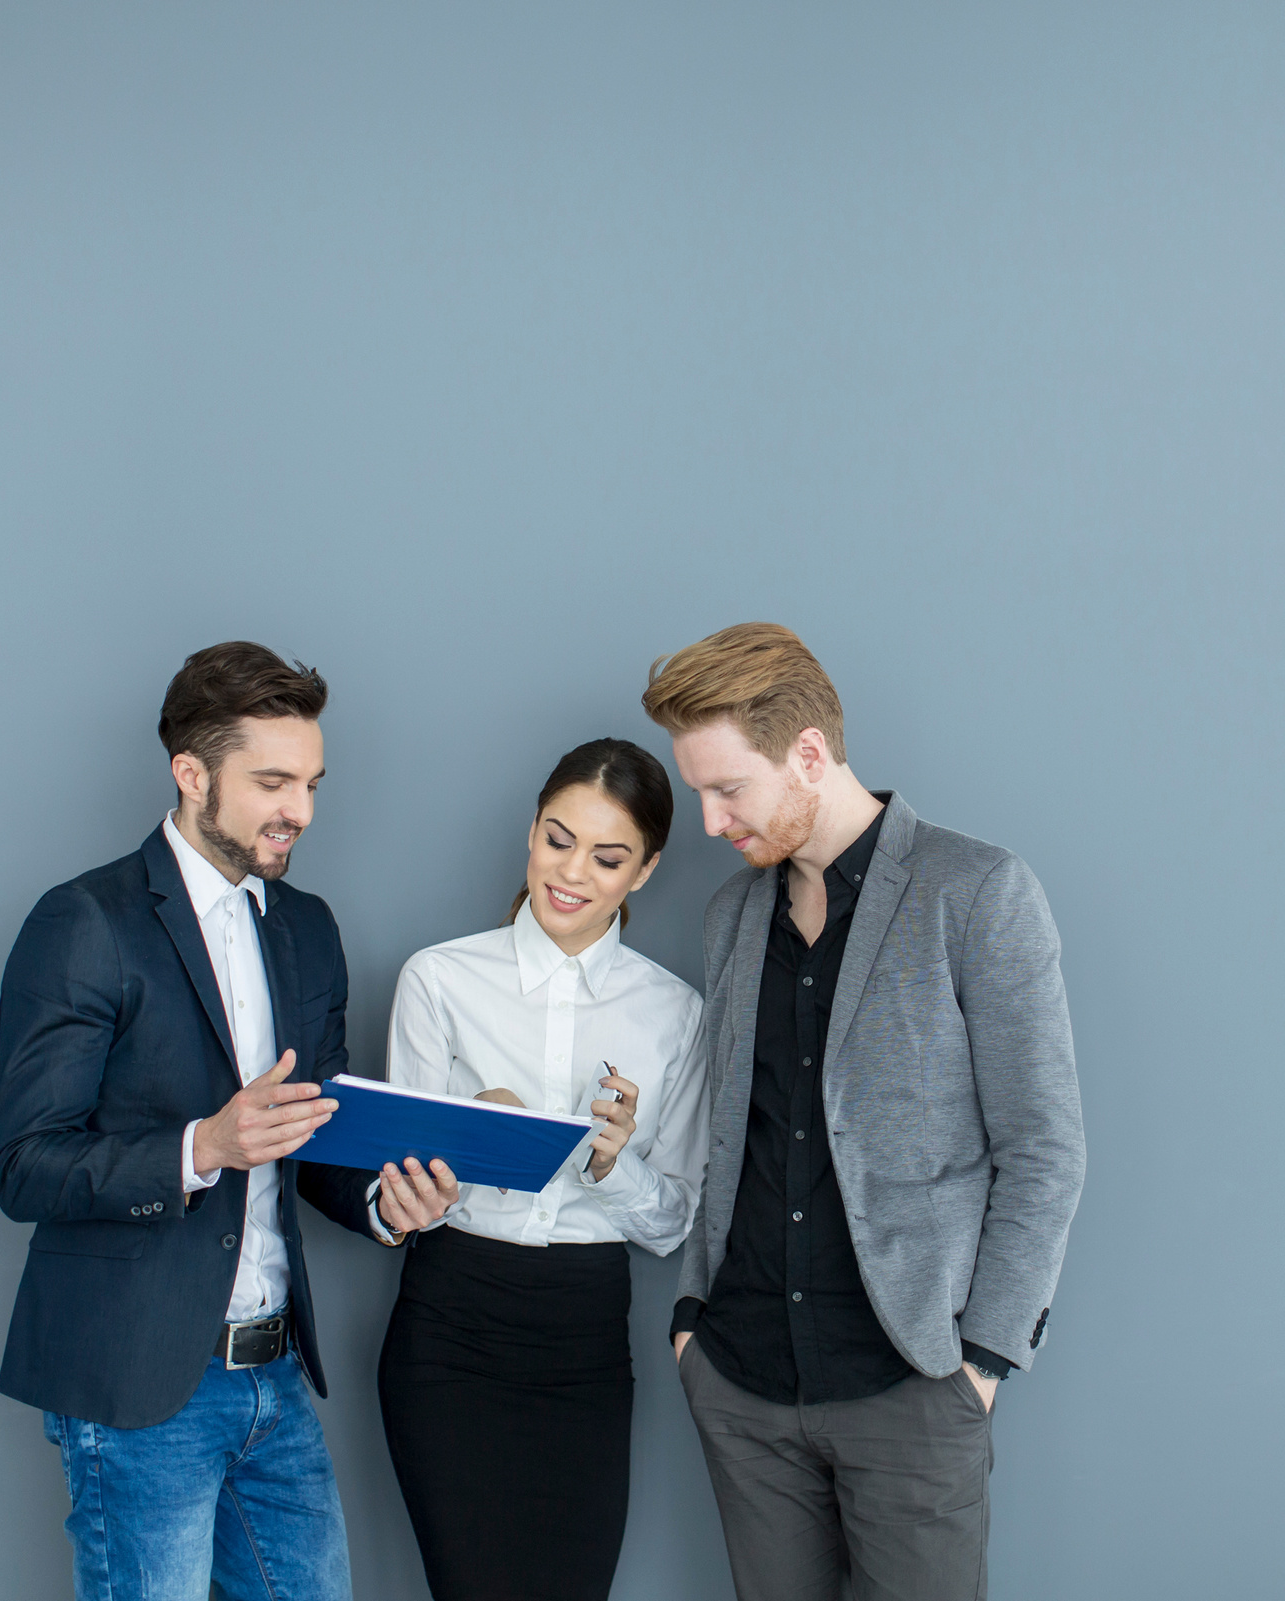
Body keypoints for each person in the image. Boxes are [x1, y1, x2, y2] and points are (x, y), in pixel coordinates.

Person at [0, 641, 457, 1601]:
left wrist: (385, 1204)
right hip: (138, 1385)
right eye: (274, 781)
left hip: (276, 1378)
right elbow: (25, 1165)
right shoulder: (85, 921)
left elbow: (313, 1136)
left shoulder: (308, 926)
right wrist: (205, 1145)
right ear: (191, 773)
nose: (303, 811)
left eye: (314, 782)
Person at [641, 623, 1086, 1601]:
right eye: (699, 793)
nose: (711, 822)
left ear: (808, 753)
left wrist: (981, 1362)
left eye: (728, 788)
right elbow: (731, 1135)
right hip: (742, 1378)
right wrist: (690, 1322)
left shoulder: (976, 891)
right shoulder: (730, 916)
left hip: (913, 1382)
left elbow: (1044, 1150)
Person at [376, 737, 712, 1601]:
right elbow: (398, 1190)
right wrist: (463, 1146)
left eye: (608, 857)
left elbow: (675, 1223)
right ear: (531, 829)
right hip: (449, 1326)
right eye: (557, 839)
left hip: (583, 1338)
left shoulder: (675, 1013)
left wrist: (611, 1162)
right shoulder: (439, 979)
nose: (572, 872)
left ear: (644, 871)